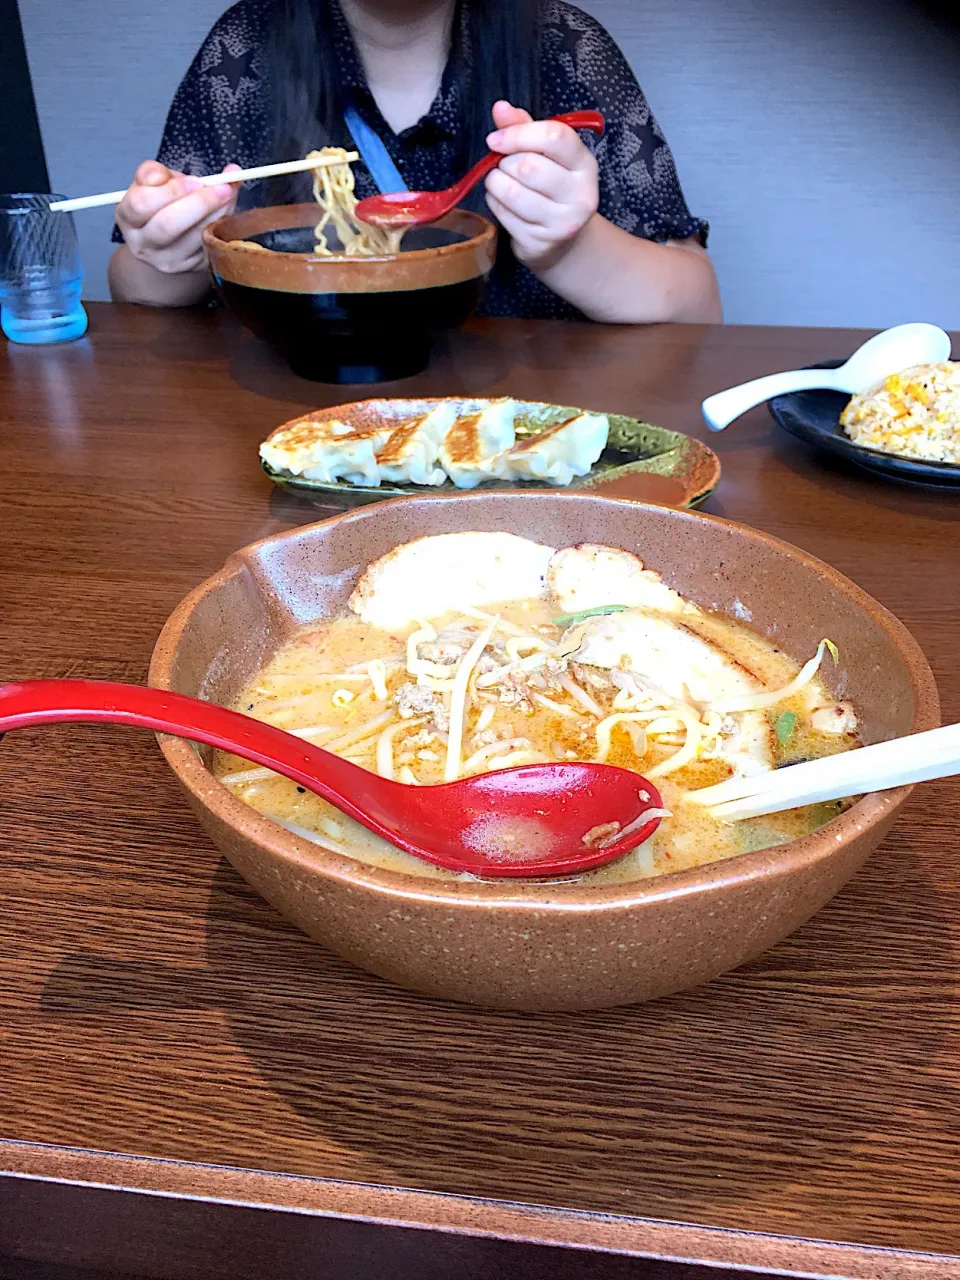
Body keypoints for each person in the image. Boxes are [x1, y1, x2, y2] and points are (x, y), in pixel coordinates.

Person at [109, 0, 721, 324]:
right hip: (299, 425)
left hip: (523, 436)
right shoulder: (244, 50)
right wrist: (175, 254)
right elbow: (131, 285)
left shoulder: (564, 47)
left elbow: (697, 305)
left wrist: (566, 244)